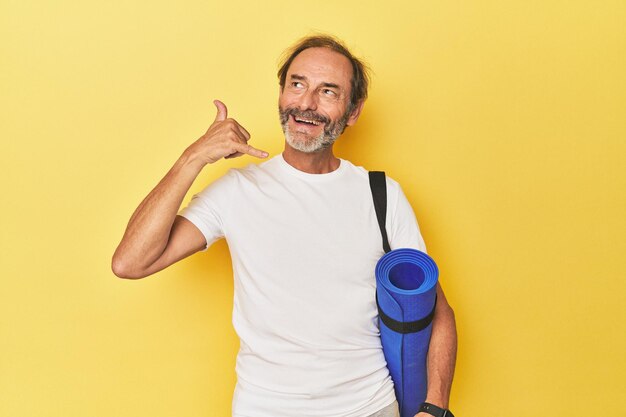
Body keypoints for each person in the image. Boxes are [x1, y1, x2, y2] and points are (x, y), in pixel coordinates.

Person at [112, 35, 457, 417]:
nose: (306, 103)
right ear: (281, 93)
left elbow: (436, 308)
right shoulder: (238, 191)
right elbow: (131, 262)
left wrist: (435, 407)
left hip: (368, 406)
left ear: (354, 111)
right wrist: (192, 158)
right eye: (297, 84)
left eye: (328, 91)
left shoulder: (382, 195)